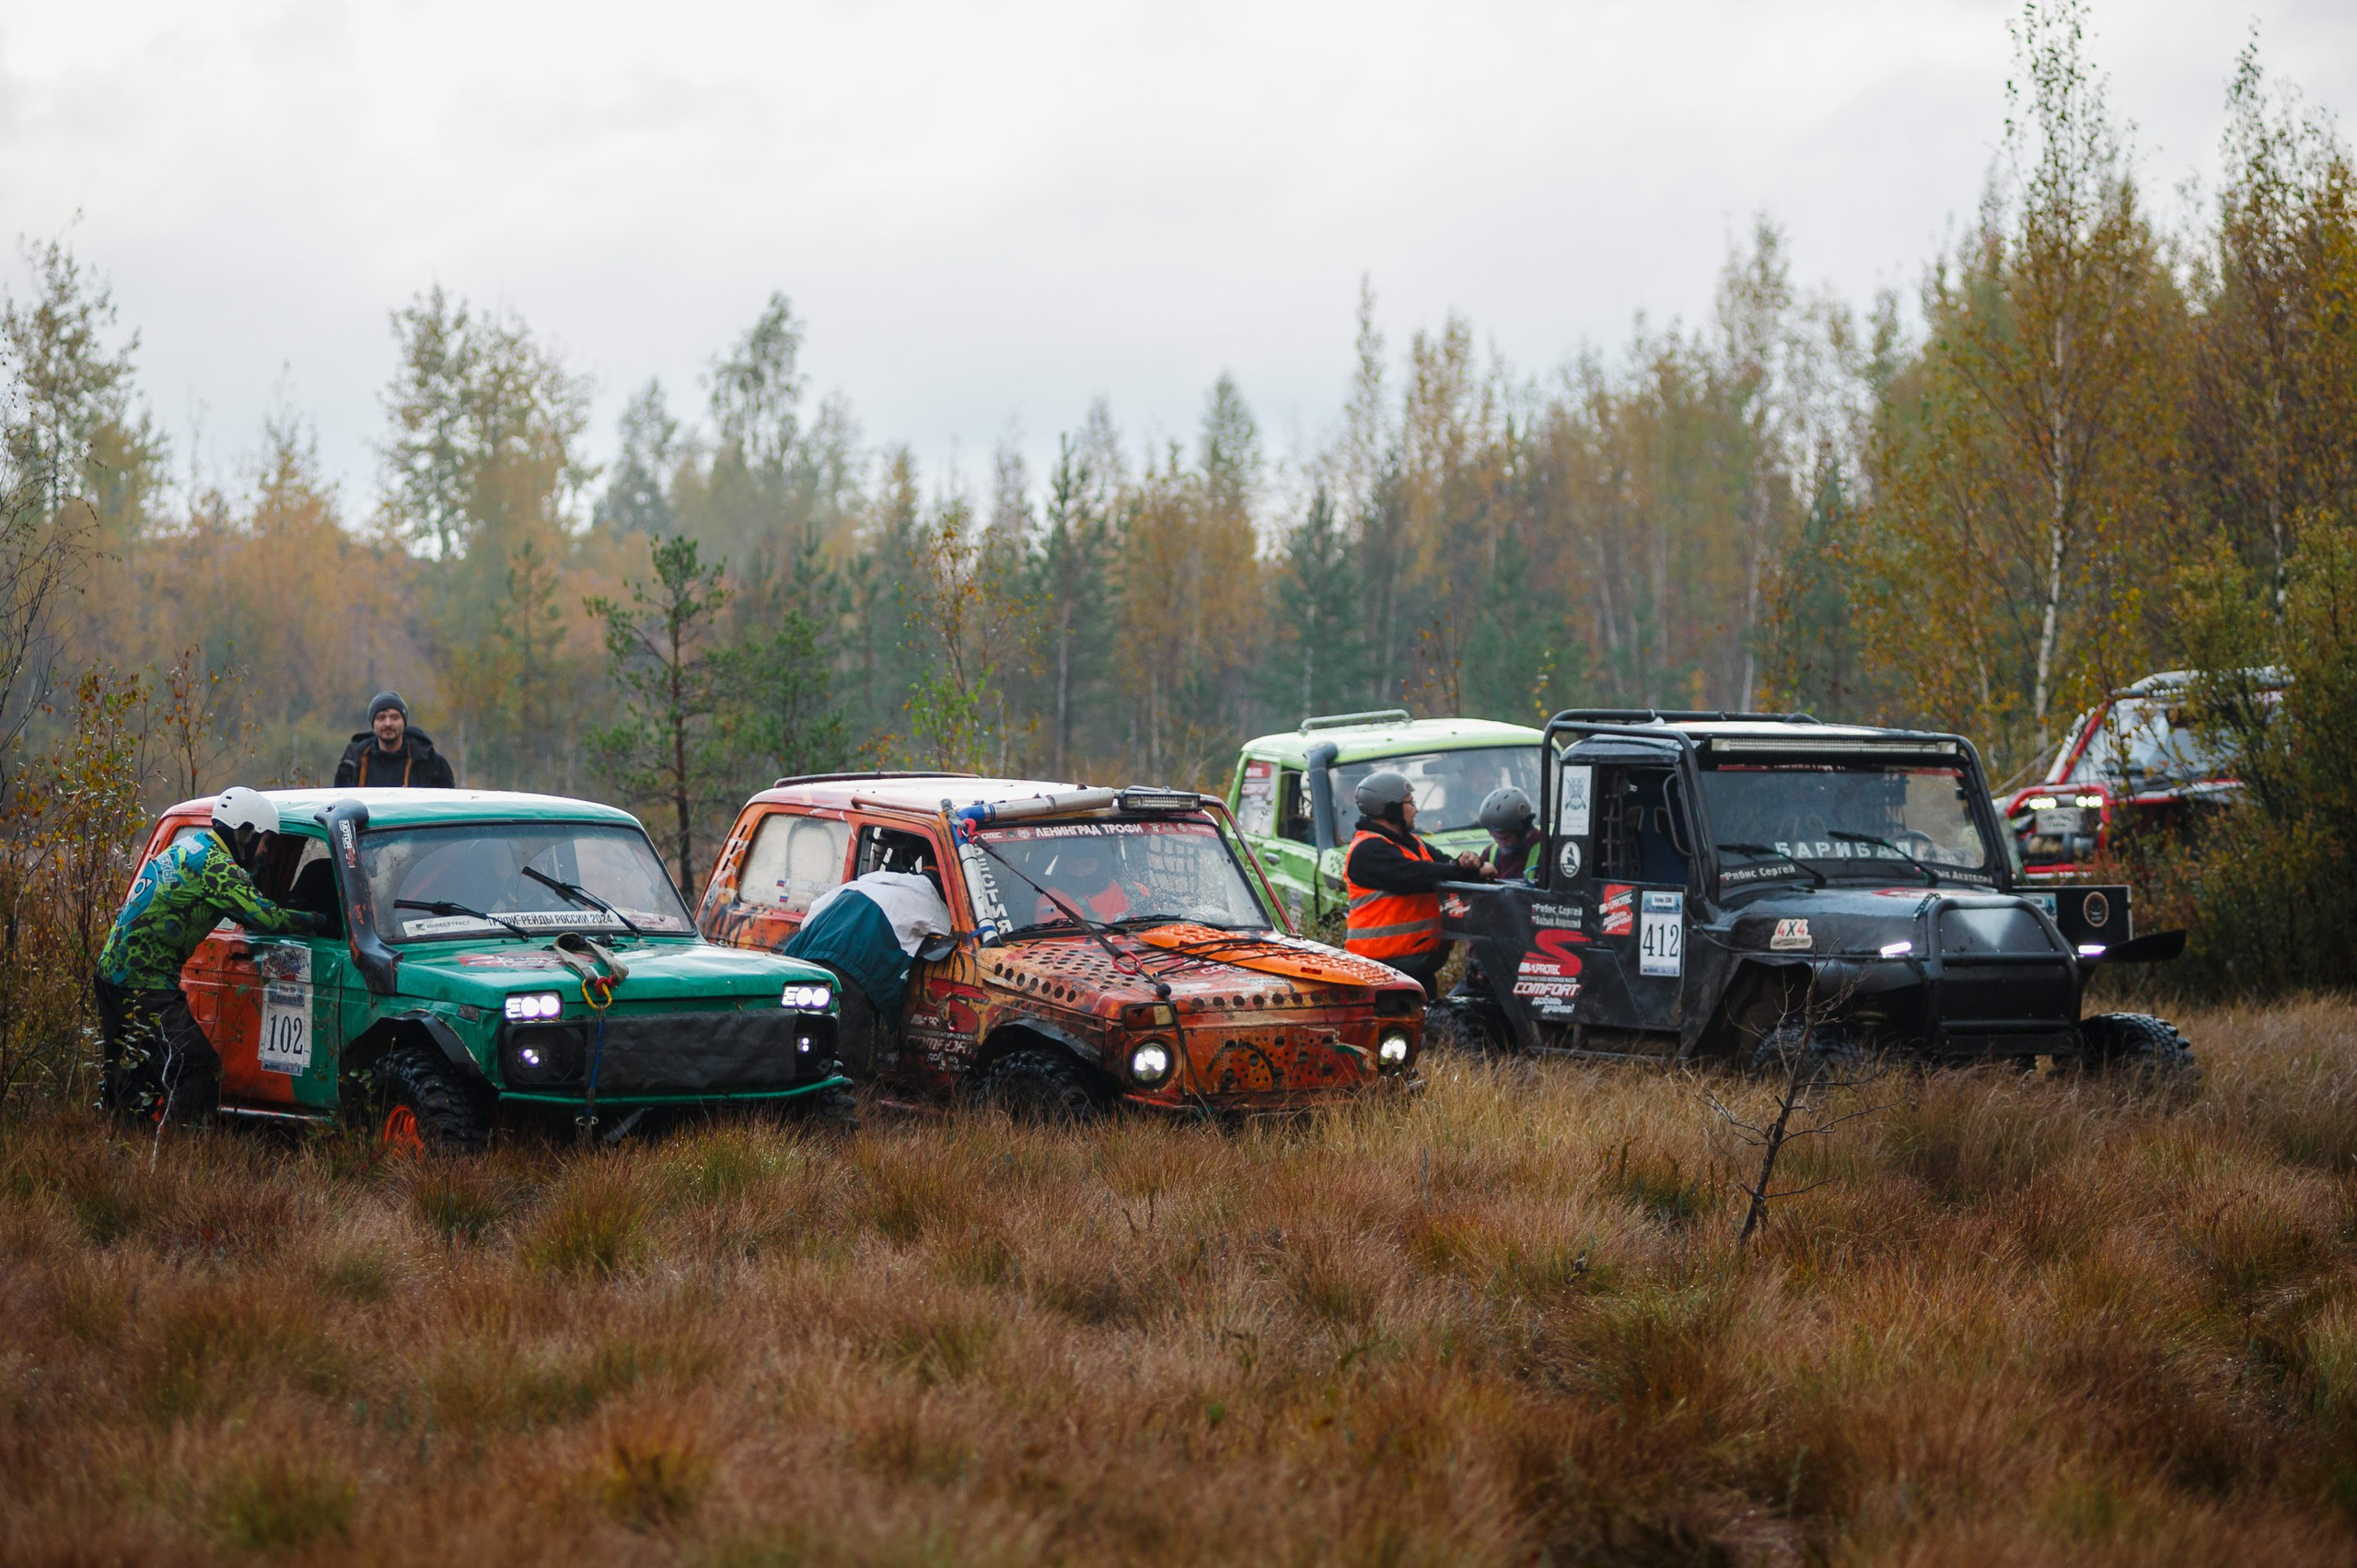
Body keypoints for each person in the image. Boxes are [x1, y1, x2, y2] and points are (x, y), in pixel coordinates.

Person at [94, 787, 327, 1126]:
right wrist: (319, 920)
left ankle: (125, 1145)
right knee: (195, 1064)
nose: (265, 854)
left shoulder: (192, 846)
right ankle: (180, 1148)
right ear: (245, 833)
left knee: (132, 1071)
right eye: (266, 842)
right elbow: (267, 919)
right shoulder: (217, 866)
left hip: (112, 974)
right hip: (144, 979)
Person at [1343, 772, 1486, 996]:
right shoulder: (1368, 850)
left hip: (1415, 969)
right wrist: (1463, 871)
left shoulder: (1412, 843)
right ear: (1389, 808)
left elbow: (1444, 865)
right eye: (1410, 803)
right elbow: (1417, 876)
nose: (1416, 809)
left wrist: (1469, 863)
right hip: (1383, 971)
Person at [334, 691, 456, 788]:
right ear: (372, 724)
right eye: (381, 718)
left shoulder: (430, 762)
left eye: (395, 717)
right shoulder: (352, 763)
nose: (388, 723)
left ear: (404, 722)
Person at [1478, 786, 1543, 881]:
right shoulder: (1490, 853)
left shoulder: (1547, 851)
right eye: (1494, 836)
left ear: (1523, 829)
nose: (1499, 842)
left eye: (1505, 837)